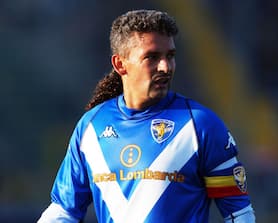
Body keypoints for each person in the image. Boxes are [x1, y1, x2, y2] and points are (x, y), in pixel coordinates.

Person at [38, 9, 255, 223]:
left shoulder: (200, 125)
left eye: (170, 56)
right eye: (152, 57)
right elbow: (63, 211)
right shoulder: (91, 128)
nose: (165, 67)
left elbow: (239, 214)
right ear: (120, 64)